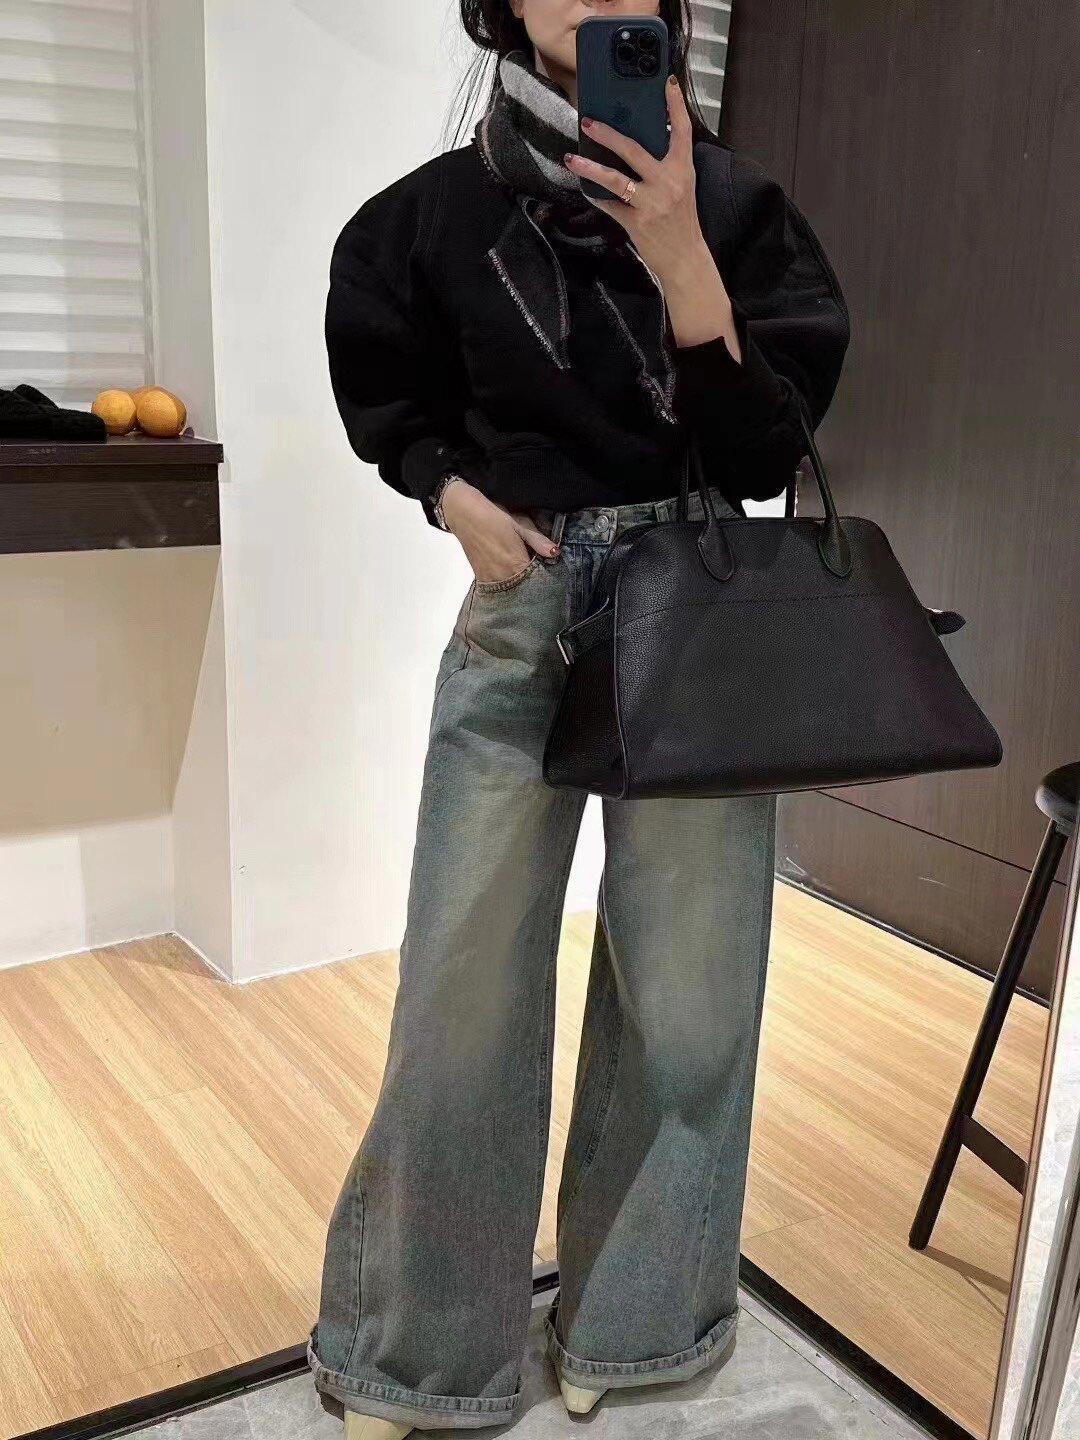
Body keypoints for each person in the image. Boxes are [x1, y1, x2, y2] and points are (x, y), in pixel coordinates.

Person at [307, 3, 850, 1436]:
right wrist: (448, 491)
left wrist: (680, 251)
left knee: (692, 990)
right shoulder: (428, 216)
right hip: (528, 602)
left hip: (695, 604)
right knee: (463, 987)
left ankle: (642, 1320)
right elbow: (390, 389)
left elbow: (765, 451)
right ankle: (422, 1349)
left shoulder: (735, 206)